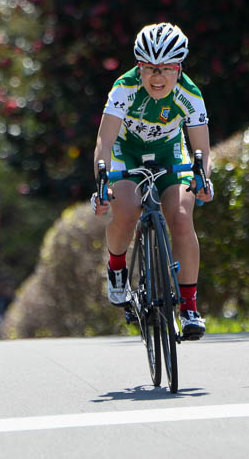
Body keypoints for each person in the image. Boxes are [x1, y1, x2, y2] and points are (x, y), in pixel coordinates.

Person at [90, 23, 214, 339]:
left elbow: (201, 149)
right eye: (149, 69)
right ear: (139, 67)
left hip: (170, 153)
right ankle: (117, 267)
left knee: (183, 219)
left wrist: (202, 180)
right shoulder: (124, 88)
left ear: (179, 68)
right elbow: (104, 140)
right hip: (125, 151)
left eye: (166, 70)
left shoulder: (190, 94)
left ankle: (189, 307)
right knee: (127, 209)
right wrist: (102, 182)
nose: (157, 78)